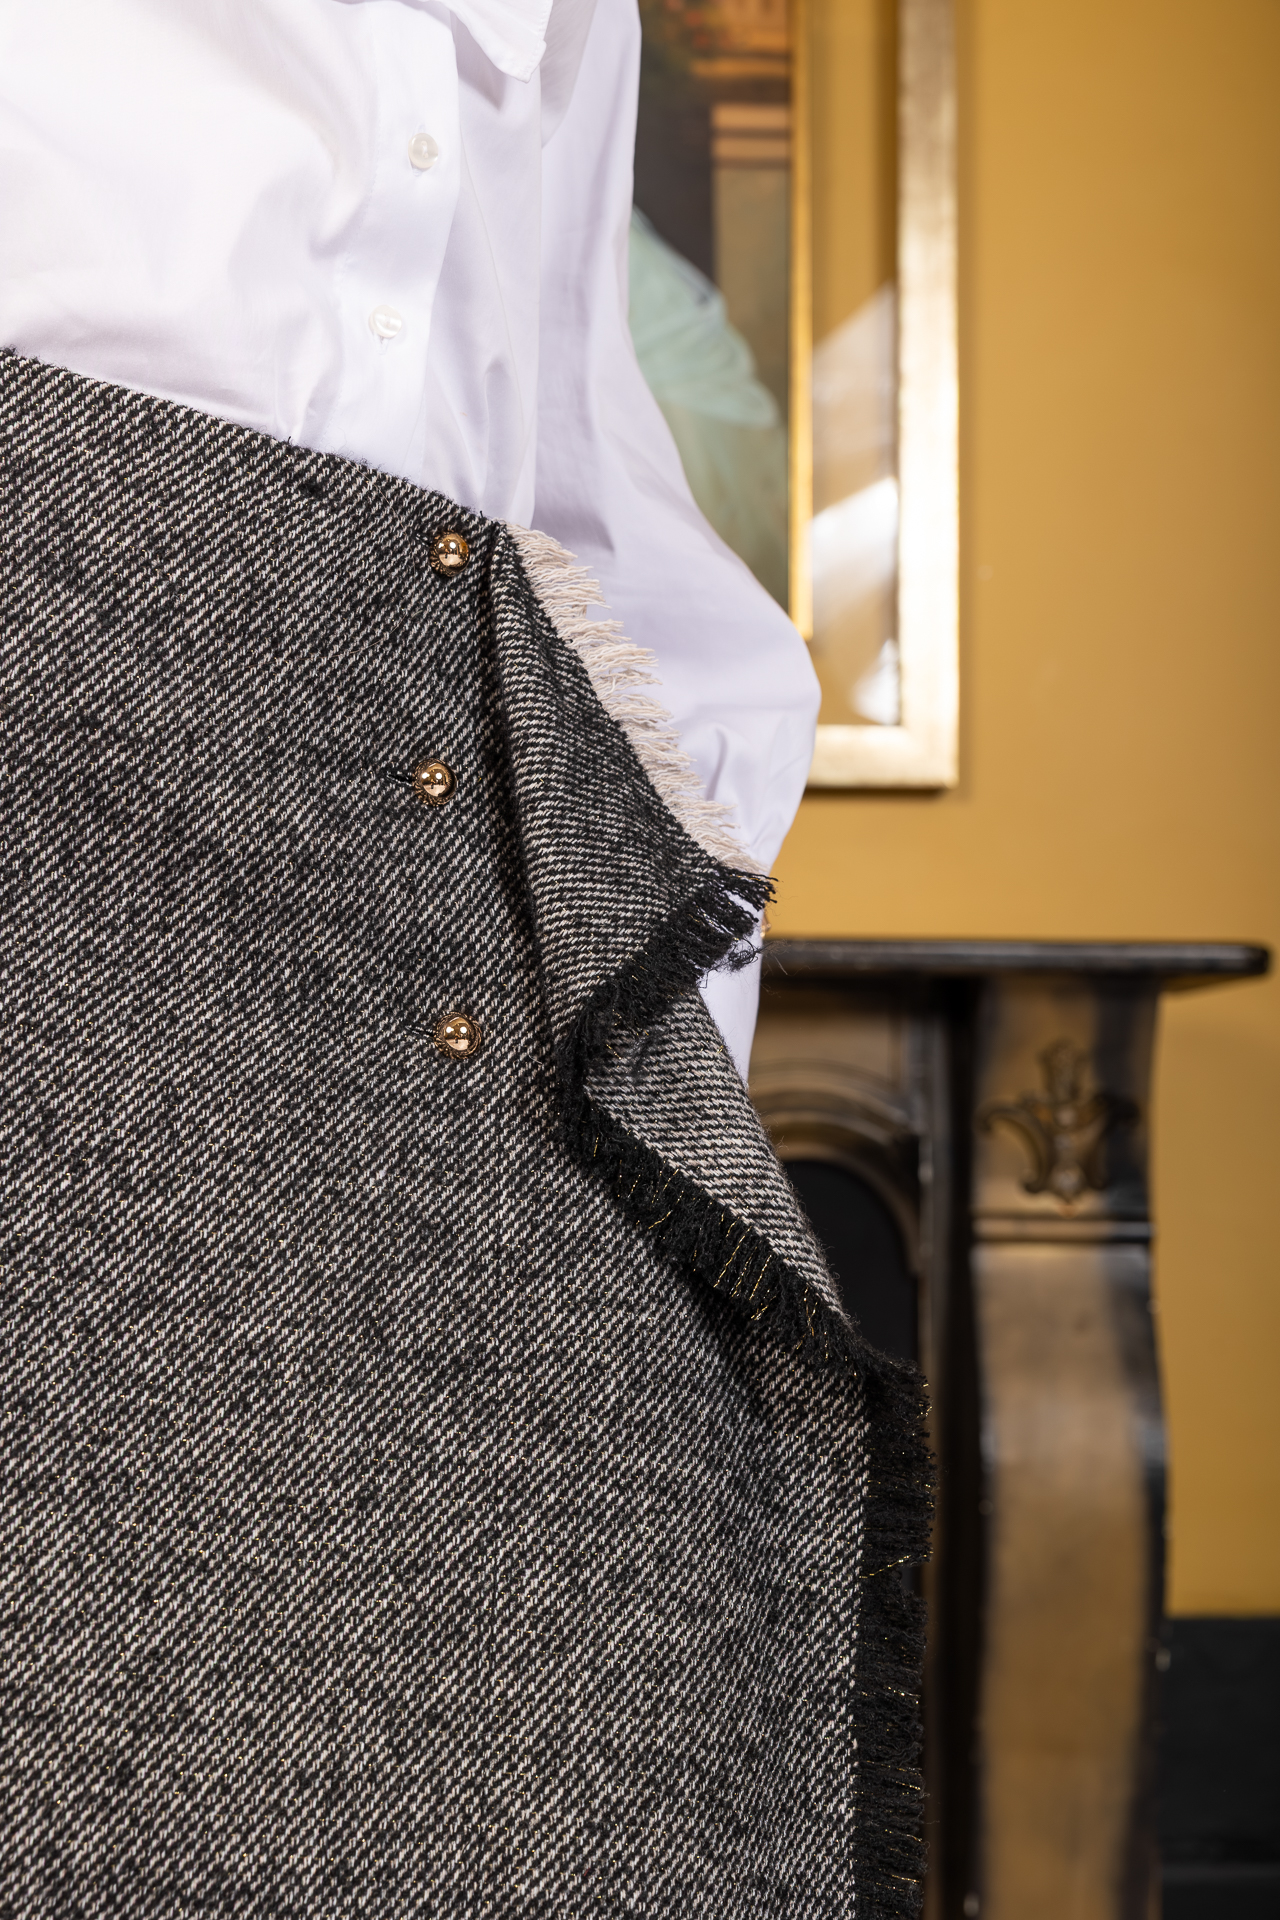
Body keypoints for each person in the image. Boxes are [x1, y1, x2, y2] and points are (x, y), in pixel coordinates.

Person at [0, 1, 930, 1912]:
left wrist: (632, 1035)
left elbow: (605, 523)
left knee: (613, 1699)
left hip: (437, 956)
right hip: (59, 818)